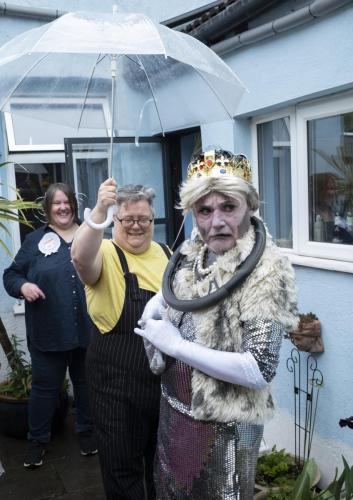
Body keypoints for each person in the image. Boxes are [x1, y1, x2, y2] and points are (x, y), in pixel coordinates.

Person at [134, 149, 299, 499]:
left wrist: (175, 345)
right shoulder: (194, 251)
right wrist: (155, 303)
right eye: (205, 210)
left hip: (225, 432)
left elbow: (258, 369)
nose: (216, 221)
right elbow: (173, 295)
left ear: (249, 206)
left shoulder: (269, 271)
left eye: (229, 207)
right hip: (174, 415)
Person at [70, 179, 171, 500]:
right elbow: (79, 258)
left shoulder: (166, 253)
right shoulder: (105, 252)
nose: (137, 226)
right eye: (127, 219)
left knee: (163, 467)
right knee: (122, 471)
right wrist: (99, 209)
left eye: (144, 219)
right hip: (116, 388)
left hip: (163, 387)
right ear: (115, 221)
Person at [3, 182, 97, 469]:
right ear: (48, 209)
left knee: (85, 386)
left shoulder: (89, 234)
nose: (63, 207)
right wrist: (24, 286)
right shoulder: (34, 241)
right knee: (44, 391)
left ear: (73, 205)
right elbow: (11, 275)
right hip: (48, 330)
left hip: (86, 329)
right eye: (56, 203)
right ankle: (37, 441)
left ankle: (87, 433)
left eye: (66, 201)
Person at [312, 172, 353, 243]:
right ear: (319, 190)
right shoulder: (308, 216)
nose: (334, 193)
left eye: (335, 189)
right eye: (330, 188)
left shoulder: (335, 212)